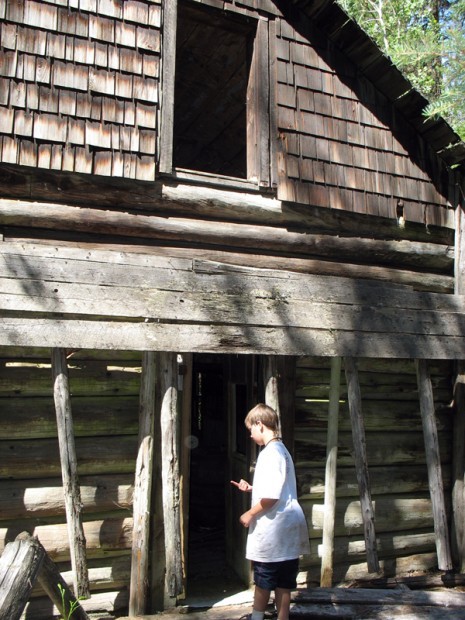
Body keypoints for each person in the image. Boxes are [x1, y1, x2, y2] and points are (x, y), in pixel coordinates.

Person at [231, 403, 310, 620]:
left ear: (260, 424)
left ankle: (257, 618)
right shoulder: (282, 450)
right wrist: (252, 488)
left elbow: (272, 496)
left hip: (275, 528)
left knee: (264, 579)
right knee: (284, 581)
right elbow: (279, 487)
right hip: (287, 526)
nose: (250, 435)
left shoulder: (270, 454)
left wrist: (250, 513)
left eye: (251, 430)